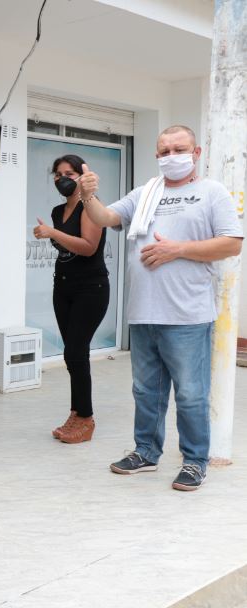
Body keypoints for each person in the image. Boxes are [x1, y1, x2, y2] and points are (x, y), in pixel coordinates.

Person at [80, 125, 243, 491]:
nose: (171, 156)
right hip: (144, 313)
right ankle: (146, 452)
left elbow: (232, 244)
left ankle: (195, 460)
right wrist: (88, 196)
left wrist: (177, 249)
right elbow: (106, 218)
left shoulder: (210, 192)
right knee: (146, 391)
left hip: (187, 315)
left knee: (190, 393)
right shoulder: (145, 193)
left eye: (179, 149)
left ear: (196, 152)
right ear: (157, 156)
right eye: (164, 151)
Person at [32, 154, 109, 444]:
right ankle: (77, 412)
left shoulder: (92, 208)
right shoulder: (56, 211)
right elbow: (65, 247)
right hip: (62, 286)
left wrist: (52, 233)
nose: (62, 178)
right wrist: (49, 232)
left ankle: (86, 419)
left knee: (77, 352)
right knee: (71, 353)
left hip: (91, 288)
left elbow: (88, 248)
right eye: (57, 173)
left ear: (82, 176)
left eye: (69, 173)